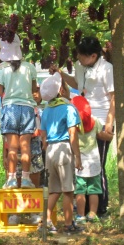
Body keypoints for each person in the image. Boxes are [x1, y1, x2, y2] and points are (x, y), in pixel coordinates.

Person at [55, 37, 114, 217]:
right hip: (81, 120)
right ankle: (85, 208)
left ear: (93, 56)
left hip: (100, 121)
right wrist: (60, 74)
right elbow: (77, 84)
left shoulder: (107, 68)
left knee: (98, 164)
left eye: (82, 55)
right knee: (81, 163)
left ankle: (100, 207)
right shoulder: (80, 66)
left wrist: (109, 122)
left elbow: (114, 97)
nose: (78, 58)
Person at [39, 72, 83, 234]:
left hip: (50, 150)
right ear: (61, 91)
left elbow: (43, 135)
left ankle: (45, 222)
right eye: (65, 85)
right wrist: (77, 156)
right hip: (64, 149)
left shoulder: (47, 110)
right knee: (68, 191)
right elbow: (73, 134)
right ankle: (69, 224)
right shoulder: (69, 108)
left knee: (54, 190)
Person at [0, 34, 38, 189]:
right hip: (27, 108)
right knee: (25, 146)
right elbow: (34, 89)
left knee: (12, 147)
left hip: (10, 108)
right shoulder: (30, 67)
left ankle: (11, 180)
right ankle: (26, 179)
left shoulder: (1, 68)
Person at [71, 95, 113, 224]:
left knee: (80, 190)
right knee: (94, 189)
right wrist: (110, 136)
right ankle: (92, 213)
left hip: (80, 163)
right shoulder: (95, 121)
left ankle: (80, 215)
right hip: (94, 162)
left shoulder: (73, 126)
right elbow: (101, 136)